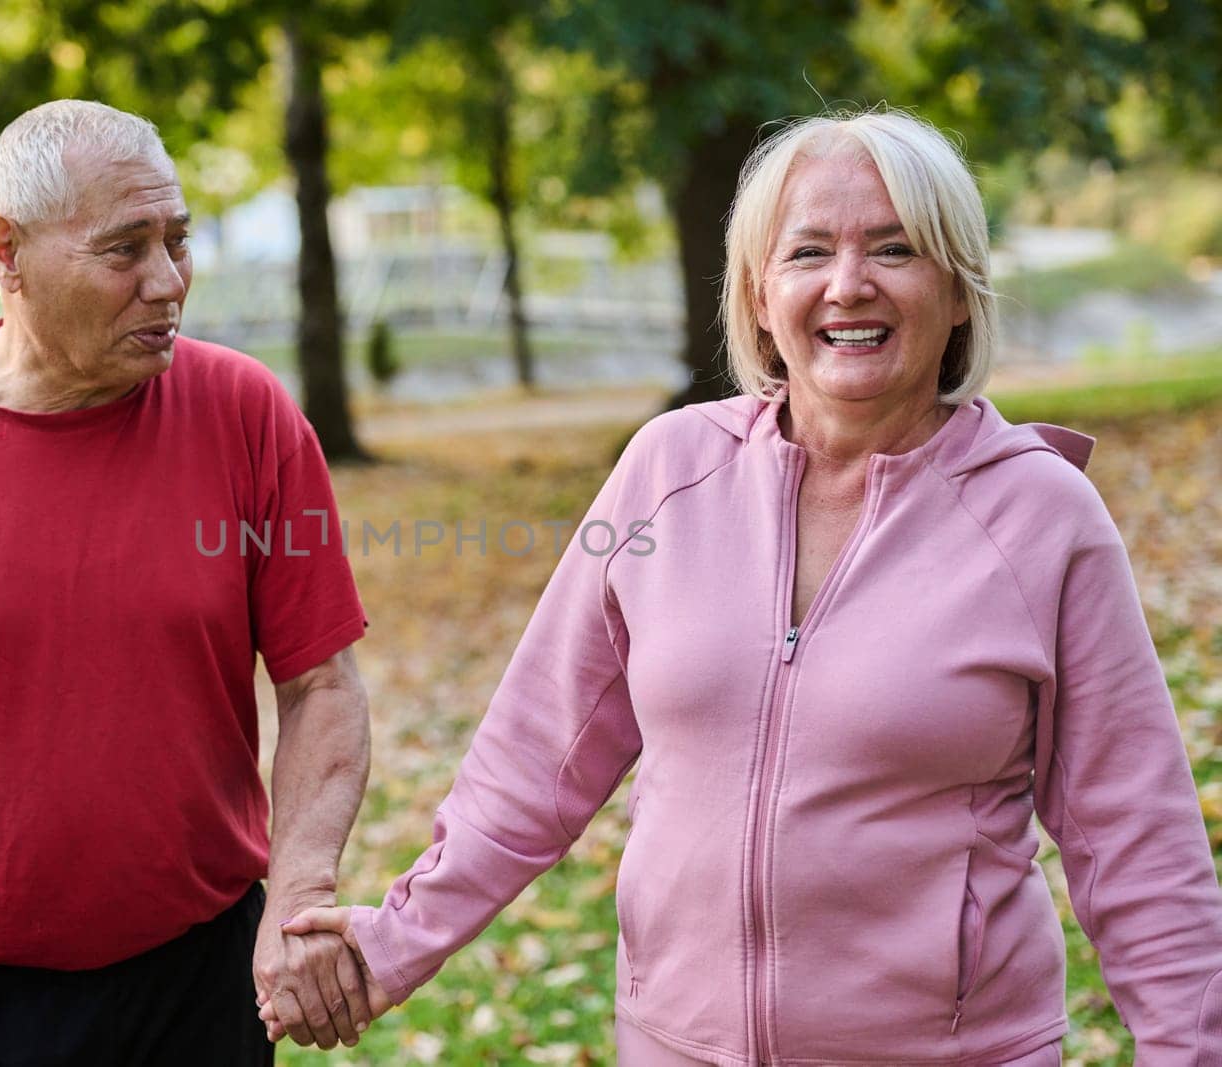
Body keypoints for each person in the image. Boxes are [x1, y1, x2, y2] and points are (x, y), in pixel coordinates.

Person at [263, 109, 1222, 1064]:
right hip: (677, 1043)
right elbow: (533, 763)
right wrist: (389, 946)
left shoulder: (1041, 515)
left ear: (960, 288)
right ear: (761, 295)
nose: (850, 284)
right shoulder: (667, 470)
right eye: (809, 251)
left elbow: (1134, 834)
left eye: (895, 247)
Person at [0, 99, 376, 1065]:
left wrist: (297, 895)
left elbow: (322, 687)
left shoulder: (247, 414)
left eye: (177, 240)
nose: (168, 281)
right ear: (5, 251)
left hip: (198, 983)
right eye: (124, 249)